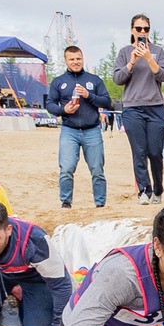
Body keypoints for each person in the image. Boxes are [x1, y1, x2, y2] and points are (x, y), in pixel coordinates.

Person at [113, 14, 164, 205]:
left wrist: (148, 58)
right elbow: (118, 79)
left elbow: (162, 76)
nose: (142, 32)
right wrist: (132, 62)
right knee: (139, 151)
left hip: (154, 107)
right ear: (132, 30)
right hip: (132, 107)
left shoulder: (157, 51)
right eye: (139, 29)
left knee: (155, 152)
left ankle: (158, 188)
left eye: (146, 29)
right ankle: (143, 191)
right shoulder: (124, 52)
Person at [46, 45, 112, 210]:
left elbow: (106, 101)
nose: (76, 62)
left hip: (92, 130)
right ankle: (66, 202)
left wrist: (89, 95)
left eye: (78, 59)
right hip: (69, 131)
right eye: (72, 59)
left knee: (97, 169)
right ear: (65, 61)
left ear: (82, 59)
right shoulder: (59, 82)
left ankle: (100, 203)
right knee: (66, 168)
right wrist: (63, 110)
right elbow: (49, 104)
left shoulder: (94, 80)